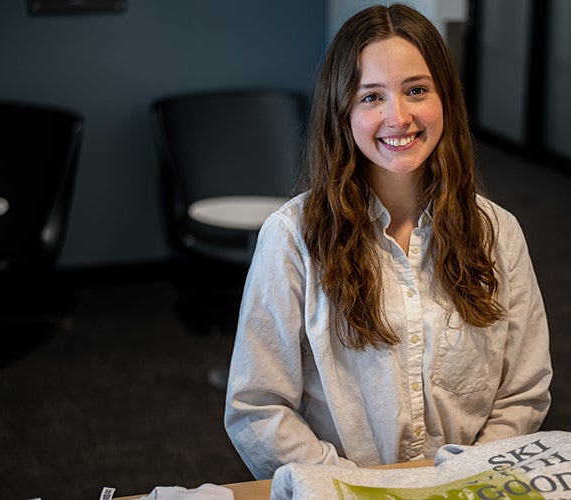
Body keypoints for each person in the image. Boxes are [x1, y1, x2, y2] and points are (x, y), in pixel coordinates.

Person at [224, 3, 552, 480]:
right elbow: (258, 407)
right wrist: (353, 488)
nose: (398, 117)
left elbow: (522, 391)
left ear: (446, 101)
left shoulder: (498, 231)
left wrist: (461, 480)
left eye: (416, 90)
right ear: (343, 111)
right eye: (371, 97)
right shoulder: (293, 237)